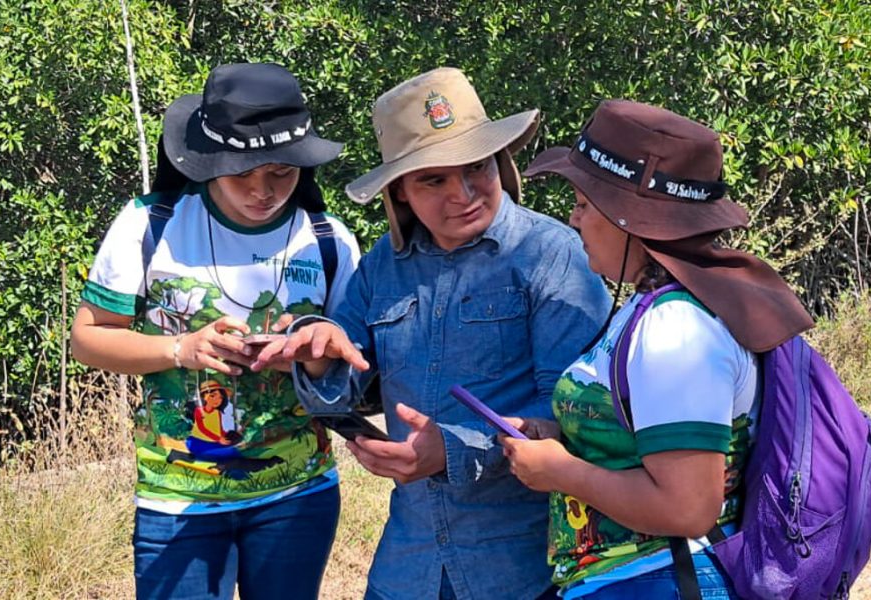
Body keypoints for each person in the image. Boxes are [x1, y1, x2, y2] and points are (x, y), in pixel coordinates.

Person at [259, 67, 612, 599]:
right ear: (399, 191)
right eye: (434, 179)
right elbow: (341, 381)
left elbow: (570, 413)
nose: (463, 193)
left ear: (502, 161)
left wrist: (451, 450)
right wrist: (315, 354)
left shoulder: (554, 255)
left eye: (477, 168)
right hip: (409, 562)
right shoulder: (383, 265)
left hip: (525, 566)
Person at [501, 100, 815, 599]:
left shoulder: (676, 331)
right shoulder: (652, 305)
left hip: (660, 581)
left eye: (584, 204)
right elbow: (647, 440)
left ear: (629, 220)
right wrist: (568, 433)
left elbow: (688, 508)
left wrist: (559, 470)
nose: (573, 218)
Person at [69, 62, 360, 599]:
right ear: (207, 164)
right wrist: (182, 348)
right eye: (242, 174)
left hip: (297, 495)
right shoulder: (149, 226)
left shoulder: (328, 240)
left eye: (281, 172)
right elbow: (88, 338)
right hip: (177, 502)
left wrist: (310, 353)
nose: (263, 191)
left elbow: (351, 366)